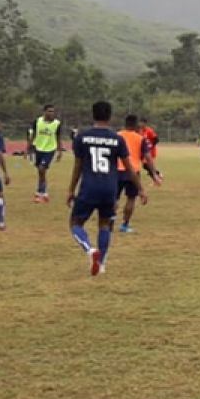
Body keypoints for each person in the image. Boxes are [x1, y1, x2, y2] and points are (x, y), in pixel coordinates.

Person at [66, 101, 141, 276]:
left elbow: (77, 166)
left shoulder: (82, 137)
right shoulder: (117, 139)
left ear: (93, 115)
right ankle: (101, 264)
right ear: (110, 116)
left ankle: (90, 250)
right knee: (105, 224)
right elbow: (129, 167)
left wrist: (71, 189)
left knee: (75, 223)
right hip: (109, 188)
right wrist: (141, 188)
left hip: (89, 186)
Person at [115, 115, 161, 234]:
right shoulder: (140, 138)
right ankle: (125, 225)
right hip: (133, 172)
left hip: (116, 170)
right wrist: (154, 174)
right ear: (136, 125)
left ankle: (109, 222)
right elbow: (148, 158)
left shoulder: (117, 135)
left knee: (114, 198)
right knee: (131, 198)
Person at [28, 103, 64, 203]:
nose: (51, 113)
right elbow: (33, 135)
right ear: (44, 112)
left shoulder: (57, 124)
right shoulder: (37, 121)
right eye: (49, 111)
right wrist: (28, 148)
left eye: (53, 111)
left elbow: (58, 137)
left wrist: (60, 151)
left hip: (50, 149)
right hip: (38, 148)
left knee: (42, 169)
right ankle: (41, 191)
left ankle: (42, 192)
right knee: (40, 171)